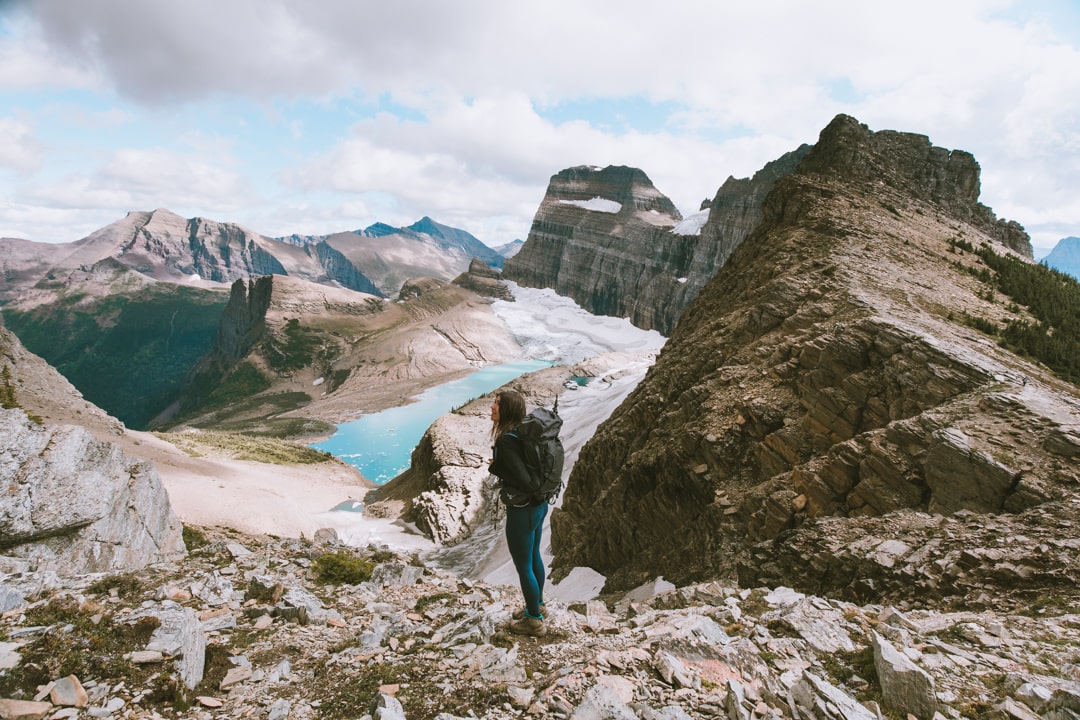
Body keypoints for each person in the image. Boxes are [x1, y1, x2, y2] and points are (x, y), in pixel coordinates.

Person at [488, 389, 549, 637]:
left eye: (498, 404)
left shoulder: (506, 440)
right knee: (533, 555)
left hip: (522, 509)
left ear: (508, 410)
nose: (492, 407)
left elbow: (523, 480)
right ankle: (538, 606)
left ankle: (533, 621)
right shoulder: (523, 433)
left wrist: (496, 467)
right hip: (539, 505)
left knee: (523, 566)